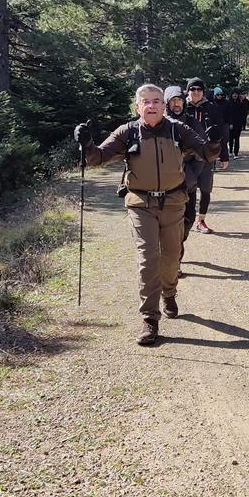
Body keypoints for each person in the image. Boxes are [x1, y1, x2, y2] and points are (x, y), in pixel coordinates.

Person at [74, 84, 212, 346]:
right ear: (137, 107)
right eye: (145, 102)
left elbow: (205, 152)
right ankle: (150, 318)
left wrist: (214, 143)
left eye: (156, 101)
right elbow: (97, 158)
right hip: (140, 204)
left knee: (171, 257)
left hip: (173, 202)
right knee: (148, 259)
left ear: (164, 105)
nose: (151, 106)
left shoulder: (177, 129)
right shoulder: (127, 132)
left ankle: (169, 293)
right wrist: (87, 143)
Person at [181, 77, 230, 235]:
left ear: (203, 92)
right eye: (192, 89)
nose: (196, 92)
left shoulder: (212, 108)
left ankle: (201, 220)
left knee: (206, 189)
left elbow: (220, 134)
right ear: (187, 91)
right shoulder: (181, 107)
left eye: (199, 89)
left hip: (207, 154)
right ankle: (186, 218)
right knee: (187, 188)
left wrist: (224, 156)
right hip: (186, 157)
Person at [228, 91, 249, 158]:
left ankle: (236, 153)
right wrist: (230, 123)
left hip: (238, 123)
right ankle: (230, 151)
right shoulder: (229, 102)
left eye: (236, 94)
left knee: (237, 138)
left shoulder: (241, 102)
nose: (235, 95)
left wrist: (243, 101)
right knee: (230, 138)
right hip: (231, 123)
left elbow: (245, 112)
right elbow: (228, 114)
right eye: (233, 94)